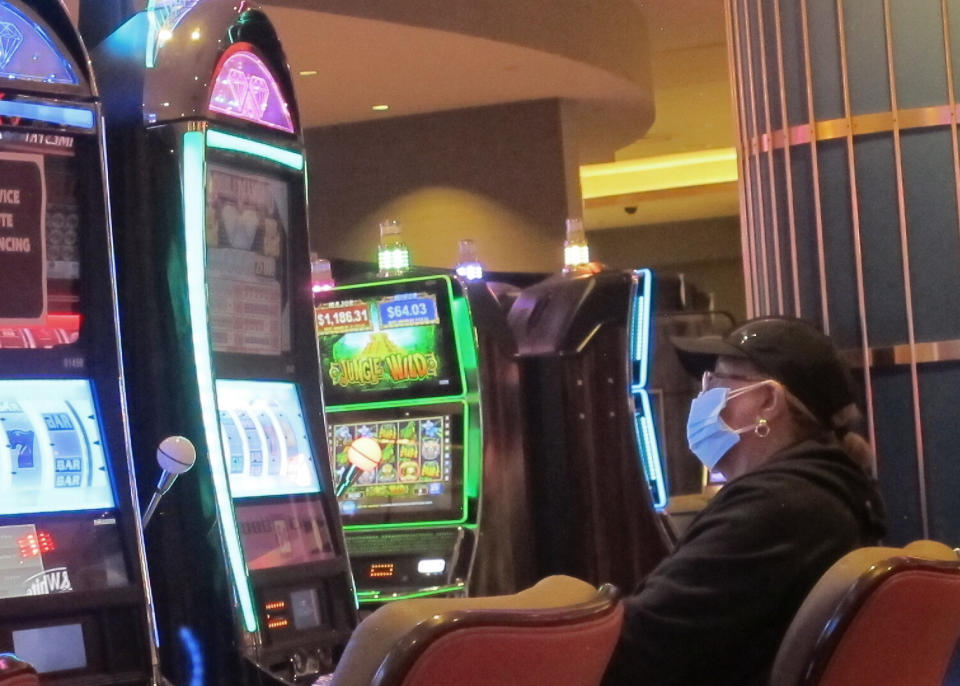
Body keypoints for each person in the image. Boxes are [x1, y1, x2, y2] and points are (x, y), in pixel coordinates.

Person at [602, 316, 885, 686]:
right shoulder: (823, 494)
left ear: (768, 400)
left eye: (716, 383)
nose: (702, 399)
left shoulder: (776, 508)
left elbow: (633, 651)